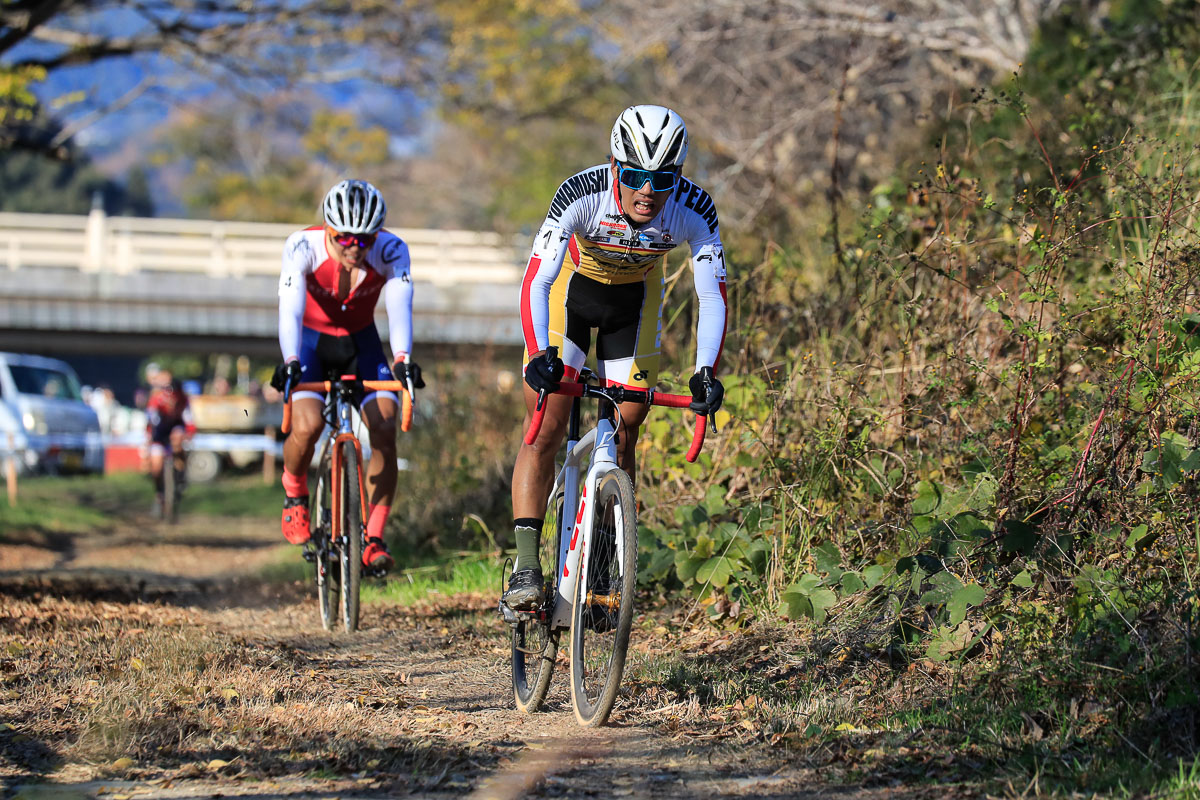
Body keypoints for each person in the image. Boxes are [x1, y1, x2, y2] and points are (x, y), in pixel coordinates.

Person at [502, 105, 728, 611]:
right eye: (635, 176)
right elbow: (538, 278)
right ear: (613, 166)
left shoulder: (695, 209)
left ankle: (603, 564)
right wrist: (540, 353)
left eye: (662, 179)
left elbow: (712, 296)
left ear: (679, 175)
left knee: (626, 426)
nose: (648, 190)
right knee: (545, 425)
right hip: (570, 299)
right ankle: (525, 567)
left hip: (635, 307)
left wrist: (705, 371)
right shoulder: (580, 194)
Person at [270, 179, 424, 572]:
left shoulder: (391, 249)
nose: (354, 248)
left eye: (363, 240)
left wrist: (403, 358)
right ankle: (295, 491)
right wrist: (289, 359)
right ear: (327, 230)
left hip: (362, 344)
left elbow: (399, 305)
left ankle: (373, 536)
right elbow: (289, 307)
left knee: (385, 429)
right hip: (310, 343)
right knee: (304, 427)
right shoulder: (301, 245)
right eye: (344, 239)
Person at [144, 367, 195, 516]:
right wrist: (148, 440)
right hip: (160, 434)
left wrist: (189, 434)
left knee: (177, 437)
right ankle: (159, 493)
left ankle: (180, 475)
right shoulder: (156, 401)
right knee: (156, 465)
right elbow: (150, 423)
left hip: (176, 430)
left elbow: (189, 421)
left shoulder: (182, 400)